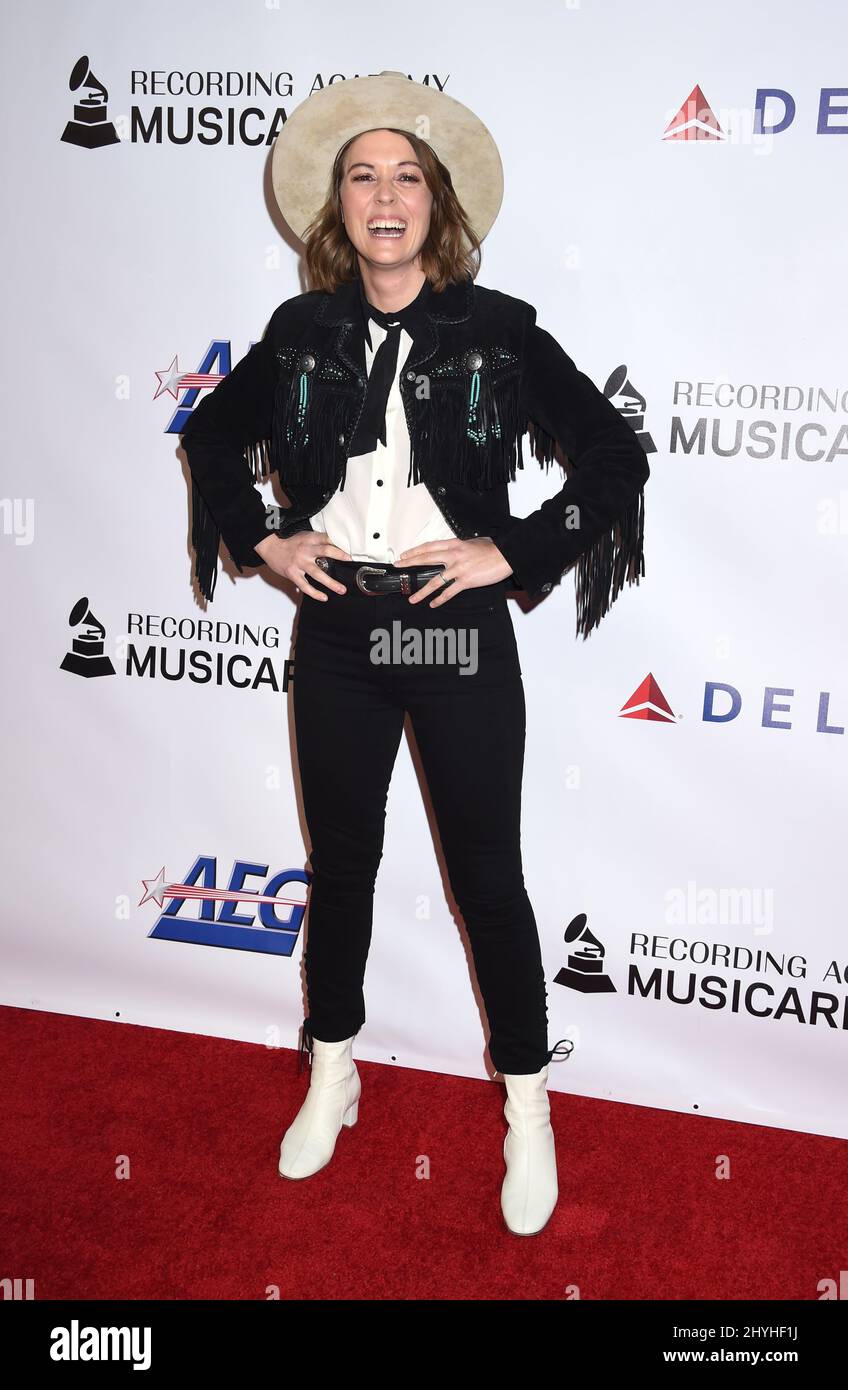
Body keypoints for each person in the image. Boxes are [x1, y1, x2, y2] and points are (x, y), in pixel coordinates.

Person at [180, 72, 650, 1236]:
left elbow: (612, 455)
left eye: (405, 178)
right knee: (340, 867)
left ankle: (528, 1107)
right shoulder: (301, 334)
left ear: (435, 204)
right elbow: (211, 436)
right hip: (338, 625)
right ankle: (332, 1070)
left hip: (450, 628)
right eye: (361, 177)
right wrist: (264, 542)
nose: (382, 197)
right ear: (334, 205)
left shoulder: (496, 330)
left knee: (488, 879)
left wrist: (515, 551)